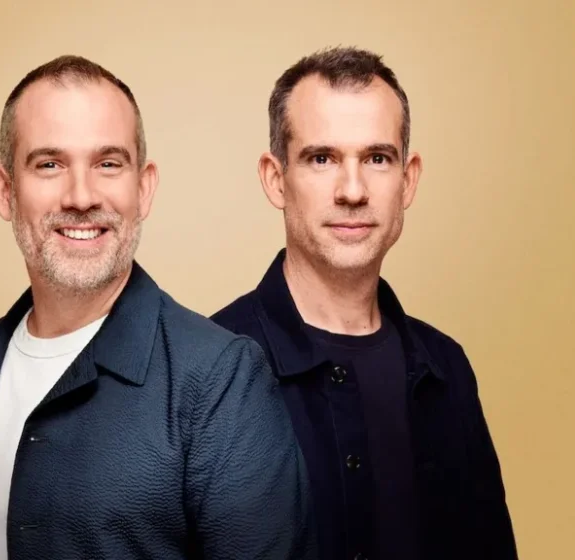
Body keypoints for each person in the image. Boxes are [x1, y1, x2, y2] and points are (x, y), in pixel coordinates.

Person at [0, 55, 315, 560]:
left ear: (143, 188)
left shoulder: (222, 382)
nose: (81, 197)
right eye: (49, 164)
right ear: (5, 190)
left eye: (108, 164)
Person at [211, 46, 517, 560]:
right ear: (275, 178)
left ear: (408, 180)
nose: (352, 191)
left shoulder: (448, 370)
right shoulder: (206, 371)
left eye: (377, 159)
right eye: (322, 158)